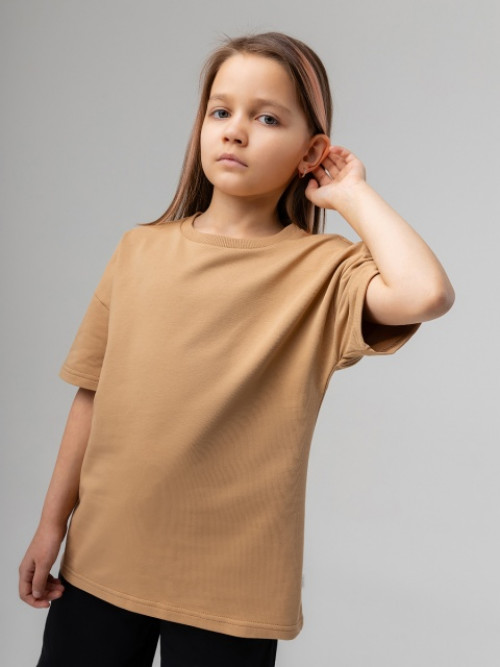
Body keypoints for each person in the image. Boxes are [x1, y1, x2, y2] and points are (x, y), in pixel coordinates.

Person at [18, 31, 454, 667]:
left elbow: (426, 293)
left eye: (267, 118)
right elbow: (91, 394)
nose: (236, 131)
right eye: (221, 111)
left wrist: (352, 193)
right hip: (101, 560)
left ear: (313, 152)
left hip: (232, 587)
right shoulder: (139, 250)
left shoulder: (324, 271)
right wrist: (50, 526)